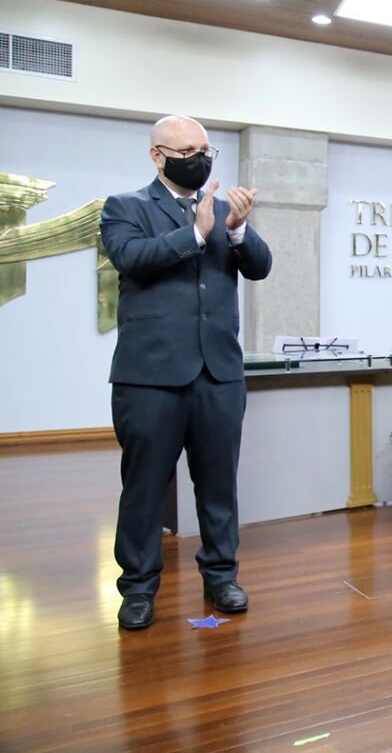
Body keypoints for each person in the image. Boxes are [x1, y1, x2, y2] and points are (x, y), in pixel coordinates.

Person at [100, 115, 272, 630]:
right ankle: (138, 588)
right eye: (188, 149)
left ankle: (221, 576)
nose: (200, 157)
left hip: (218, 374)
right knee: (144, 487)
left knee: (219, 485)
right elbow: (132, 258)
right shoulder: (125, 207)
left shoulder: (223, 211)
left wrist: (236, 228)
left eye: (206, 150)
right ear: (158, 155)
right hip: (150, 376)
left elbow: (259, 266)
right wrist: (195, 234)